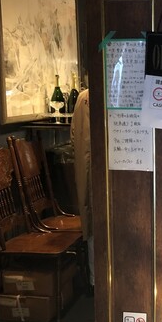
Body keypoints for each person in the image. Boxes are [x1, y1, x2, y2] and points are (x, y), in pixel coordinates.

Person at [71, 89, 94, 289]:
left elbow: (73, 137)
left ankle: (95, 279)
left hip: (86, 173)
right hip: (105, 175)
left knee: (91, 222)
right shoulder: (110, 95)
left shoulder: (82, 97)